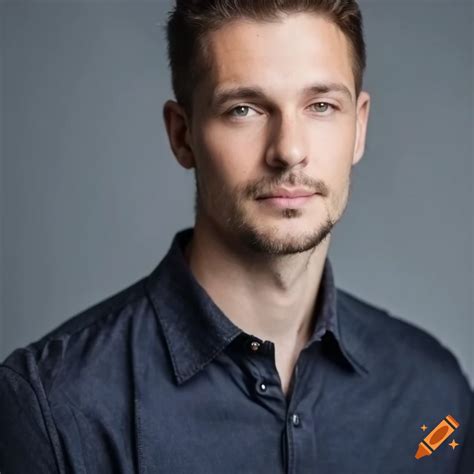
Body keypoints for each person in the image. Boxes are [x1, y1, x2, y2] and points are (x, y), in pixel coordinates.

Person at [0, 1, 472, 473]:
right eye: (243, 109)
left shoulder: (433, 393)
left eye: (322, 106)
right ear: (182, 135)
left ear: (359, 127)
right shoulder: (53, 409)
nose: (289, 150)